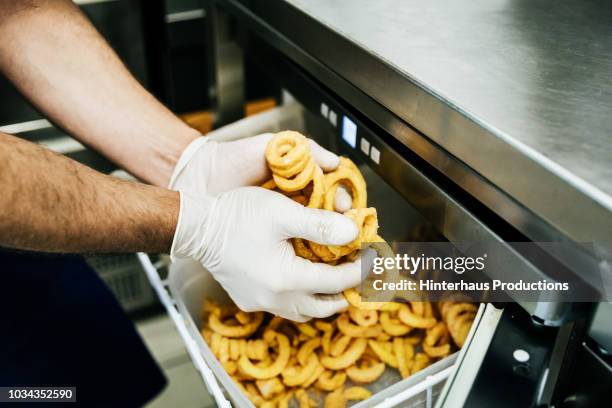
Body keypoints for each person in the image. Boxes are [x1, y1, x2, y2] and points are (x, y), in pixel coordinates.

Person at [0, 1, 363, 406]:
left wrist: (186, 160)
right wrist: (199, 226)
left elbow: (14, 10)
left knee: (86, 386)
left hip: (31, 252)